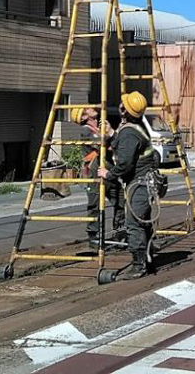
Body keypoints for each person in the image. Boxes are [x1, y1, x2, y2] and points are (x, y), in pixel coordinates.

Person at [98, 91, 158, 278]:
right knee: (142, 222)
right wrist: (112, 134)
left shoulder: (129, 133)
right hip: (144, 182)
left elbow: (124, 163)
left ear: (124, 110)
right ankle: (147, 259)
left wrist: (108, 174)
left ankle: (139, 265)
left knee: (133, 224)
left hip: (139, 184)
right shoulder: (136, 127)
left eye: (122, 104)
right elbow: (127, 148)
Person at [71, 106, 123, 249]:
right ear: (83, 117)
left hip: (107, 170)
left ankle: (120, 232)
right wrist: (110, 133)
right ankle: (94, 238)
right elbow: (102, 144)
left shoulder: (98, 127)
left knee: (121, 201)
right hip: (94, 172)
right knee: (95, 205)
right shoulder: (86, 130)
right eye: (87, 109)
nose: (91, 108)